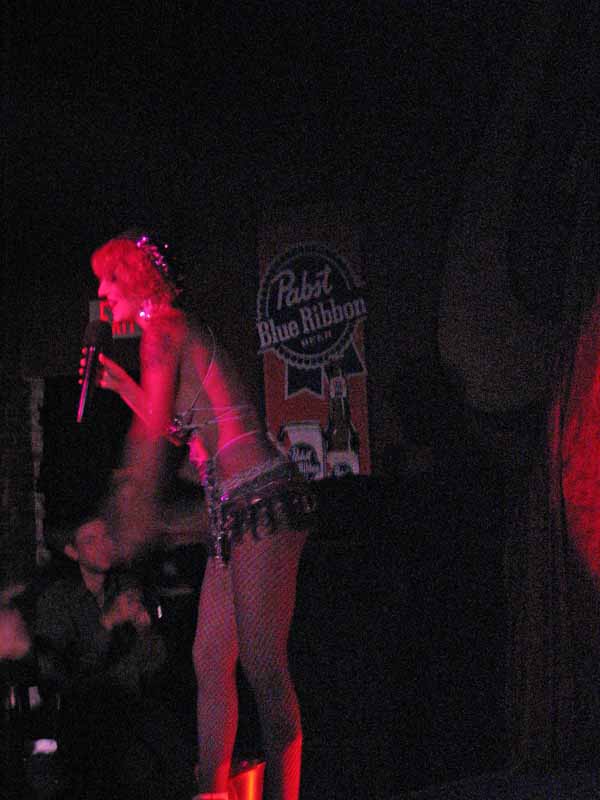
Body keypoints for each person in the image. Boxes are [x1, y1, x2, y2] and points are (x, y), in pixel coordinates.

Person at [88, 229, 317, 800]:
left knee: (263, 666)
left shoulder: (163, 329)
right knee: (211, 659)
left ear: (135, 278)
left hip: (260, 497)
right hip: (233, 508)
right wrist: (124, 387)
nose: (102, 293)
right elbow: (173, 424)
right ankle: (213, 791)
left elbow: (150, 437)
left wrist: (133, 500)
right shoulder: (167, 331)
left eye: (109, 281)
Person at [35, 515, 194, 800]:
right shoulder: (58, 600)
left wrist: (144, 630)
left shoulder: (124, 588)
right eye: (90, 540)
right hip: (85, 715)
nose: (103, 546)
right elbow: (60, 673)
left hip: (133, 709)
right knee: (125, 754)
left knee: (172, 739)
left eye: (106, 537)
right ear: (73, 552)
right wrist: (107, 623)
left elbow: (152, 665)